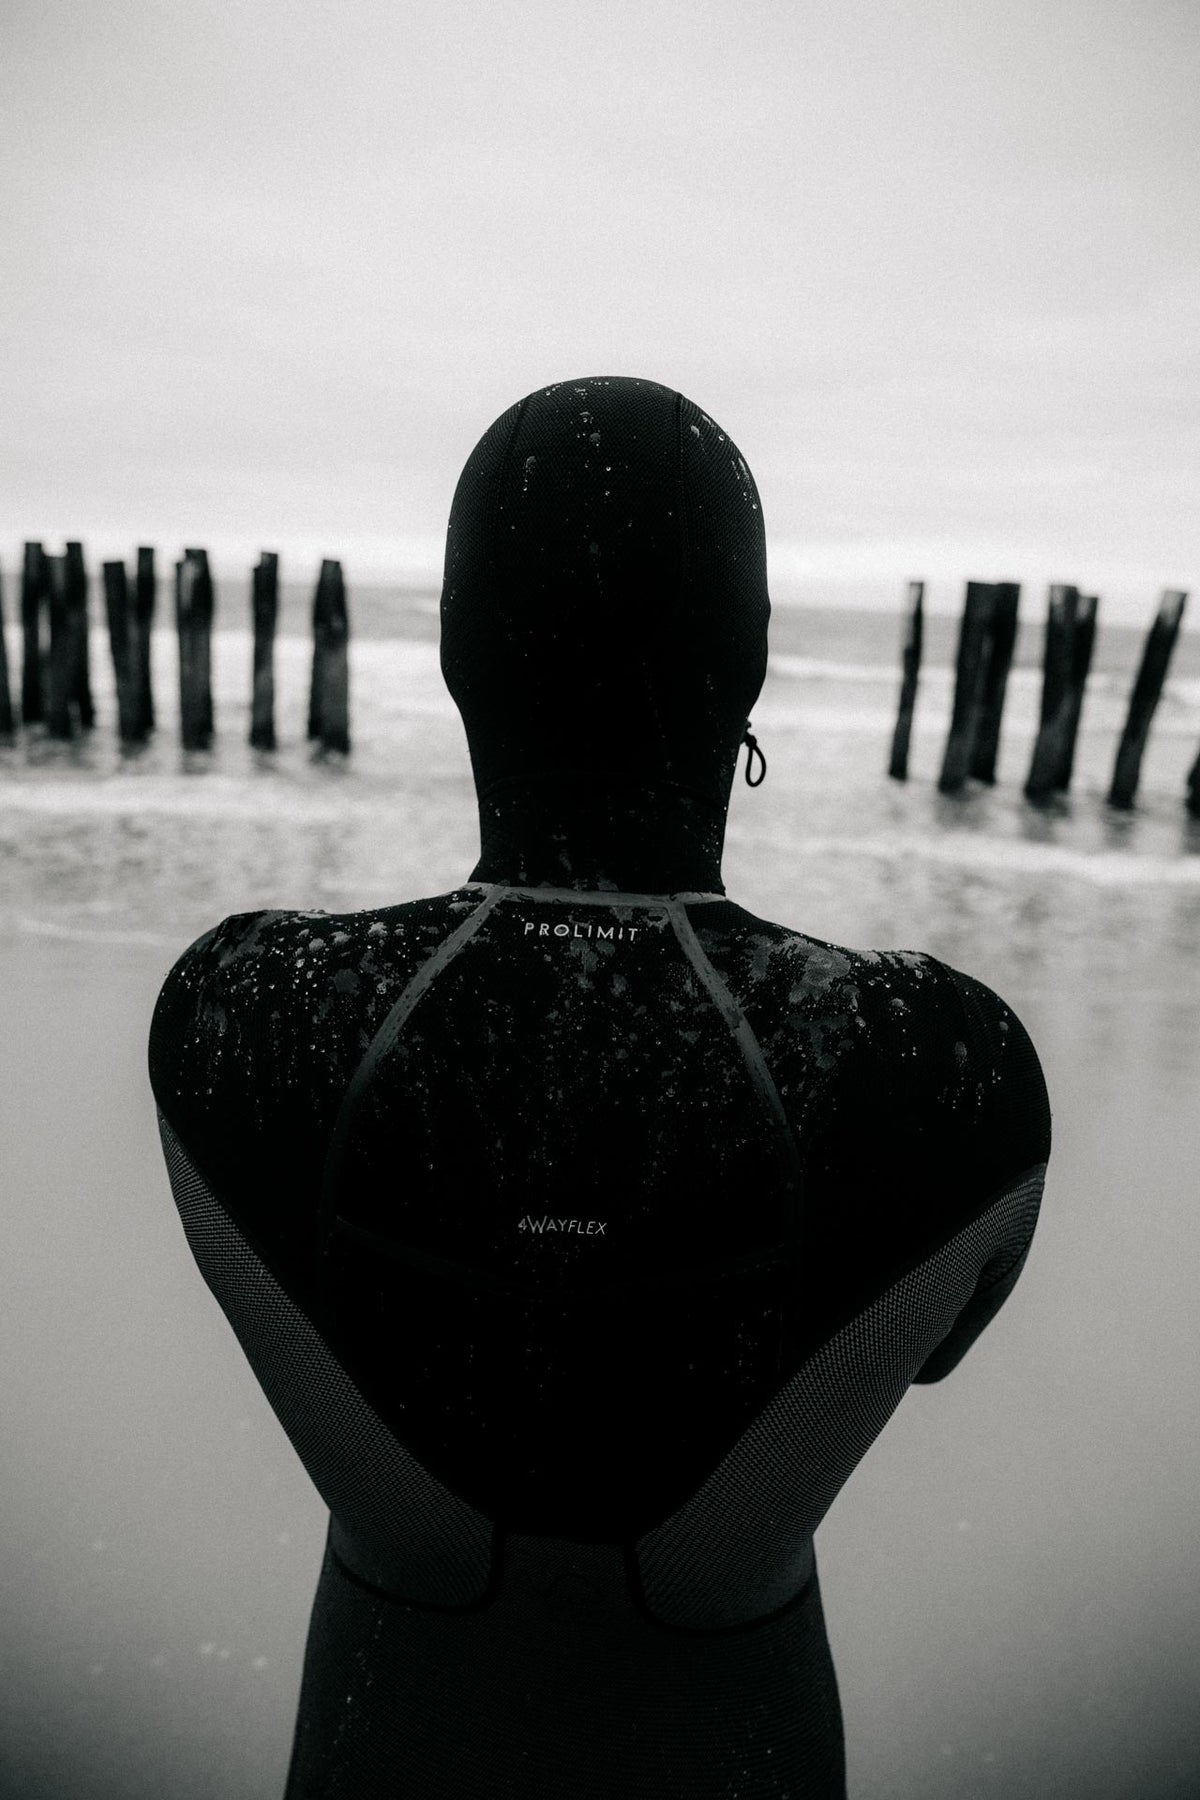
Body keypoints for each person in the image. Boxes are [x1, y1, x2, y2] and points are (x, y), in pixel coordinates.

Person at [148, 375, 1052, 1799]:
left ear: (453, 654)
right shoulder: (947, 1070)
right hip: (735, 1736)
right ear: (752, 664)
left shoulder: (235, 1013)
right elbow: (927, 1352)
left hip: (382, 1729)